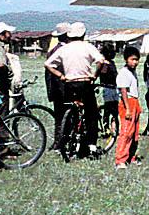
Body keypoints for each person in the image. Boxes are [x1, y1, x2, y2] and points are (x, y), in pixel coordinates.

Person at [44, 22, 106, 158]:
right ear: (83, 34)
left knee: (69, 112)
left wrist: (60, 75)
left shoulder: (64, 49)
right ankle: (91, 146)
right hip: (84, 82)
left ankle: (67, 140)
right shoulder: (88, 47)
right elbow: (101, 61)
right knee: (91, 114)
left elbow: (48, 64)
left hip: (69, 84)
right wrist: (94, 75)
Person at [114, 46, 142, 169]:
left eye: (136, 60)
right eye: (132, 59)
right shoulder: (123, 73)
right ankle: (120, 159)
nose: (135, 62)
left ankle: (131, 156)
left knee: (135, 133)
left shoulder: (133, 72)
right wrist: (128, 109)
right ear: (126, 59)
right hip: (128, 103)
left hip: (135, 101)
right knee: (126, 132)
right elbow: (124, 90)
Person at [45, 23, 70, 148]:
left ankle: (57, 141)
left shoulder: (52, 51)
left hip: (55, 89)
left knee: (59, 117)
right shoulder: (64, 50)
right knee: (66, 116)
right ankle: (62, 142)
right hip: (64, 88)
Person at [99, 43, 120, 145]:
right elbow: (103, 76)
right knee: (108, 109)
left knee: (114, 110)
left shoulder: (111, 63)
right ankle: (107, 128)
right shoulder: (105, 64)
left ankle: (114, 128)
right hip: (108, 89)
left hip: (113, 88)